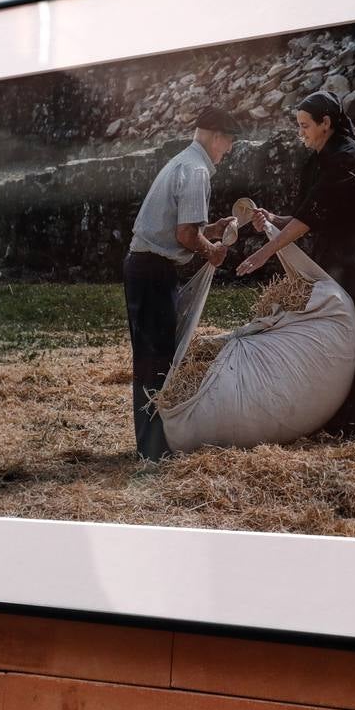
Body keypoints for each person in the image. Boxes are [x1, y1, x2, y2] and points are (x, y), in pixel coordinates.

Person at [236, 90, 355, 437]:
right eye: (298, 125)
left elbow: (309, 217)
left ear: (326, 123)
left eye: (305, 125)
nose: (301, 132)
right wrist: (273, 220)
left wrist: (265, 252)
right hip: (346, 247)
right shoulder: (322, 157)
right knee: (345, 324)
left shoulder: (345, 155)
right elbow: (311, 212)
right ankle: (344, 412)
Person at [124, 106, 239, 460]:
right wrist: (212, 252)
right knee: (157, 358)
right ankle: (153, 449)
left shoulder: (182, 161)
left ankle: (154, 442)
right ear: (216, 136)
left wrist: (213, 229)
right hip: (153, 270)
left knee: (154, 355)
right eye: (228, 142)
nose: (228, 151)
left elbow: (185, 226)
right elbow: (186, 234)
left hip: (145, 266)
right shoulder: (197, 170)